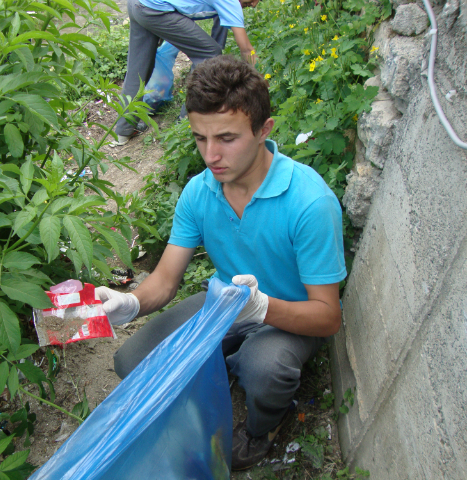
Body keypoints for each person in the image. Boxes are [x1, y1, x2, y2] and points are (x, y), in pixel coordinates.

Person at [96, 55, 347, 471]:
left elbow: (328, 318)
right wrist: (132, 303)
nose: (211, 156)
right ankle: (212, 381)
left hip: (292, 314)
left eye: (227, 138)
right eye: (200, 138)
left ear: (264, 130)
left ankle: (261, 430)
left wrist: (263, 307)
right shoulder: (199, 192)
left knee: (266, 369)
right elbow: (166, 278)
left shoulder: (310, 203)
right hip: (226, 300)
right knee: (132, 362)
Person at [112, 0, 261, 146]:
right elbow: (246, 49)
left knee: (138, 66)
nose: (255, 4)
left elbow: (220, 26)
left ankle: (124, 131)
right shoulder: (231, 2)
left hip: (138, 4)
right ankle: (185, 122)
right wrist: (258, 84)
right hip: (154, 10)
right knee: (210, 53)